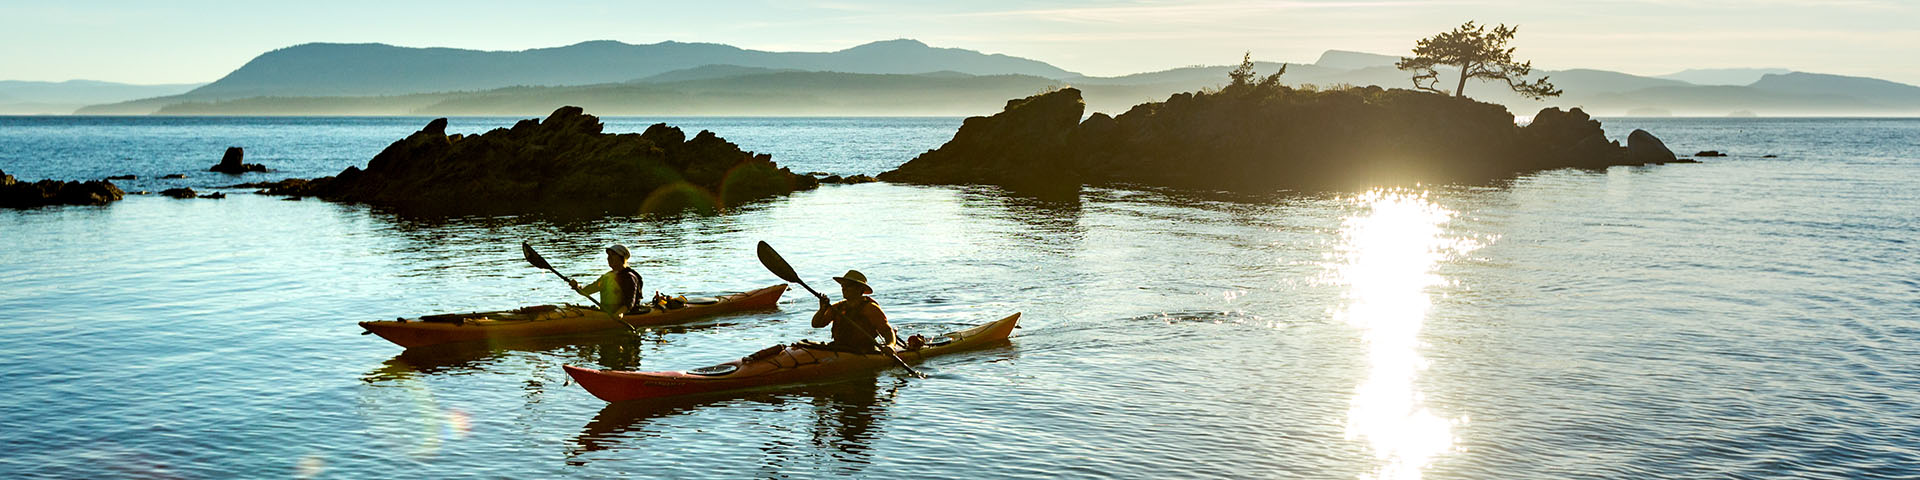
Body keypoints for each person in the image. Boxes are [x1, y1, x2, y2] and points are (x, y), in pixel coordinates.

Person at [811, 269, 899, 352]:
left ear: (860, 289)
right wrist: (822, 310)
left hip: (863, 350)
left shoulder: (871, 308)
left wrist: (890, 346)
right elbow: (816, 324)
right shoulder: (838, 307)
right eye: (843, 286)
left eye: (848, 286)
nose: (844, 289)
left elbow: (887, 332)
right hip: (840, 348)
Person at [568, 244, 643, 318]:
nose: (609, 258)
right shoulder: (606, 277)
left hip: (623, 313)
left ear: (622, 258)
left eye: (613, 255)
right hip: (606, 312)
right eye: (608, 255)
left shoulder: (629, 277)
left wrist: (620, 312)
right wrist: (576, 287)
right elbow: (587, 291)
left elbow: (630, 301)